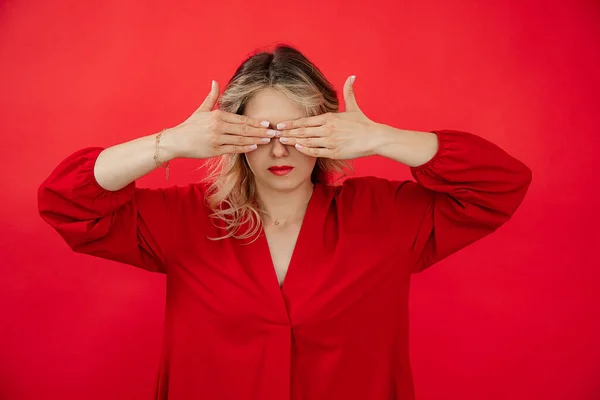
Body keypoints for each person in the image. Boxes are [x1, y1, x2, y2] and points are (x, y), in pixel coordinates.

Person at [37, 44, 532, 400]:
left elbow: (499, 185)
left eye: (300, 130)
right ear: (229, 135)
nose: (280, 149)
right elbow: (66, 202)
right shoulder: (183, 218)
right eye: (260, 131)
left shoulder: (387, 218)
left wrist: (383, 138)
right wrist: (166, 144)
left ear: (330, 131)